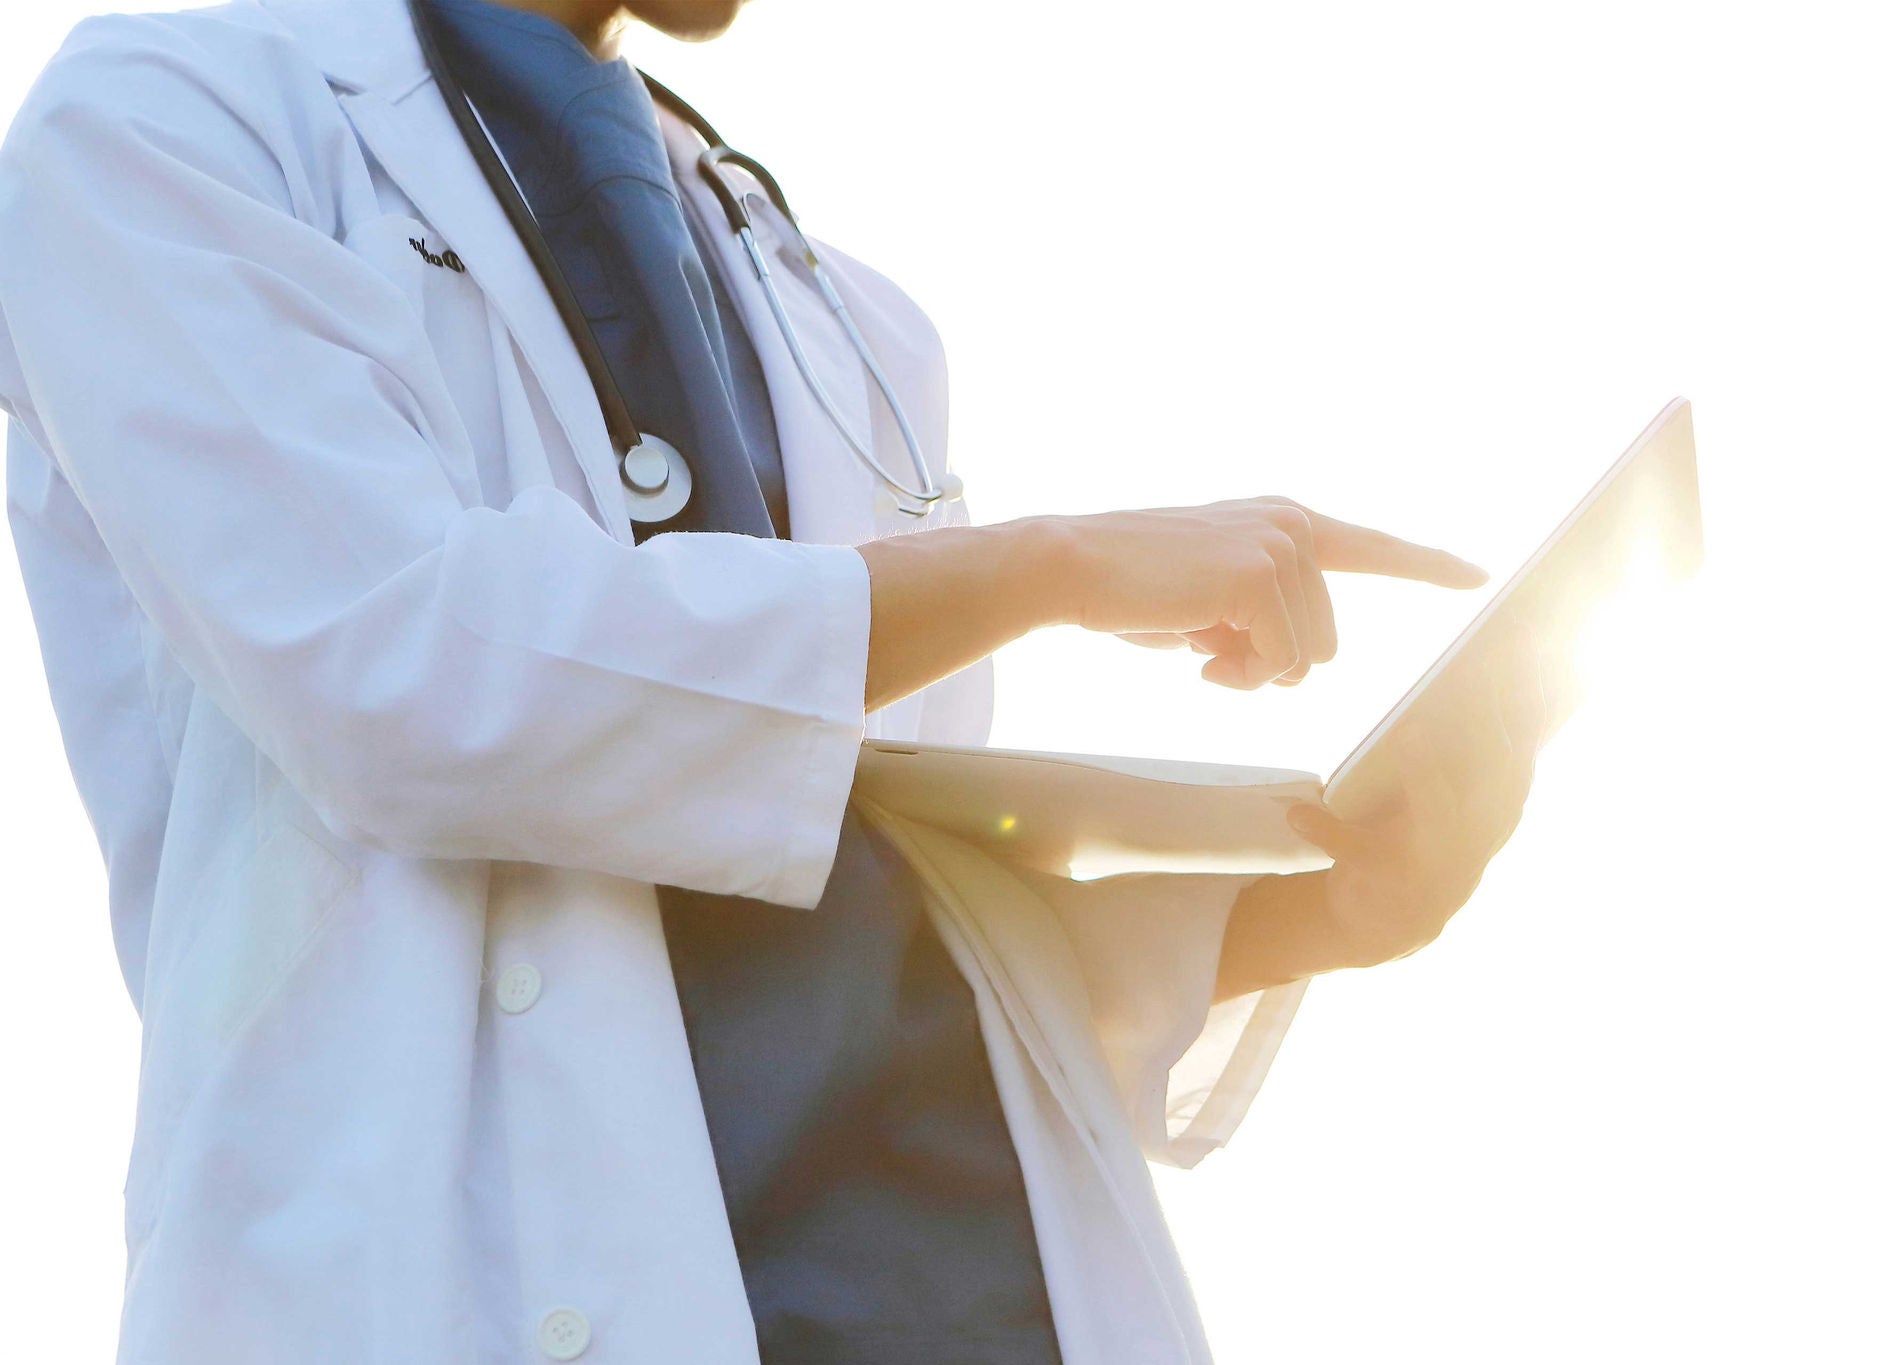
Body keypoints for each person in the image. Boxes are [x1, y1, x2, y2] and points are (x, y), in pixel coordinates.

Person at [0, 0, 1546, 1359]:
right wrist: (1048, 566)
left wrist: (1325, 907)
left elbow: (885, 887)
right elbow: (420, 678)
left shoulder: (845, 318)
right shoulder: (162, 134)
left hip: (965, 1298)